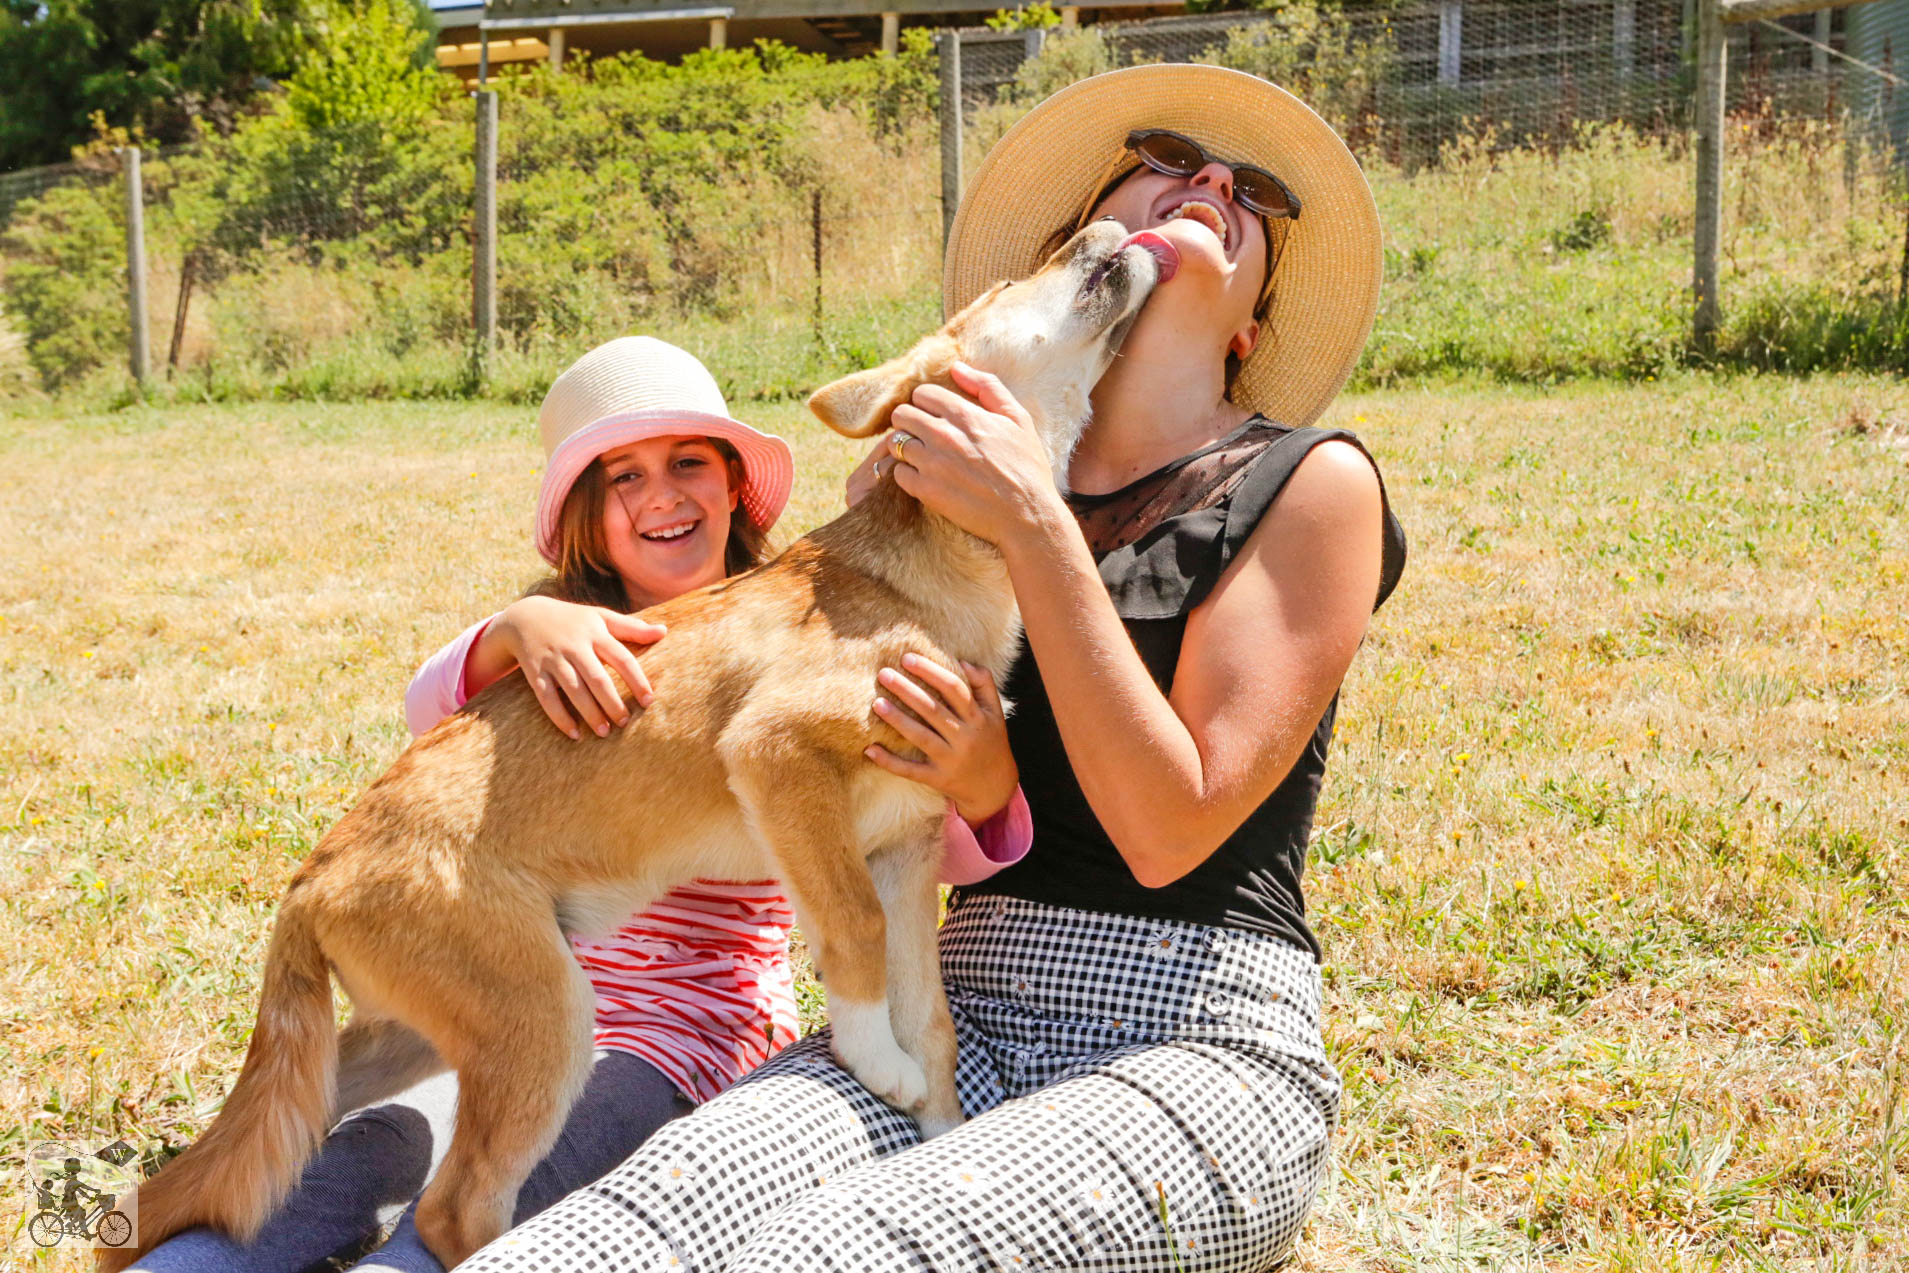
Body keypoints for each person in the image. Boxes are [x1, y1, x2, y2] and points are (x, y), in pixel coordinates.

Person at [451, 63, 1408, 1273]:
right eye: (1166, 158)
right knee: (608, 1237)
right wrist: (515, 630)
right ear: (1072, 257)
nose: (1211, 179)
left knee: (828, 1254)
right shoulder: (913, 512)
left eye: (1253, 195)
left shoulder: (1311, 485)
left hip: (1194, 1038)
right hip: (946, 1014)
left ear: (1250, 331)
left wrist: (1031, 522)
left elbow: (1175, 826)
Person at [127, 337, 1030, 1273]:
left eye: (688, 463)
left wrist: (980, 782)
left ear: (733, 486)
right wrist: (514, 628)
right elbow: (434, 719)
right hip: (490, 978)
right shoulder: (556, 651)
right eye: (620, 477)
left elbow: (920, 844)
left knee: (454, 1210)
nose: (662, 496)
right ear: (585, 521)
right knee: (336, 1170)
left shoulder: (803, 624)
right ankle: (106, 1231)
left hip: (671, 1045)